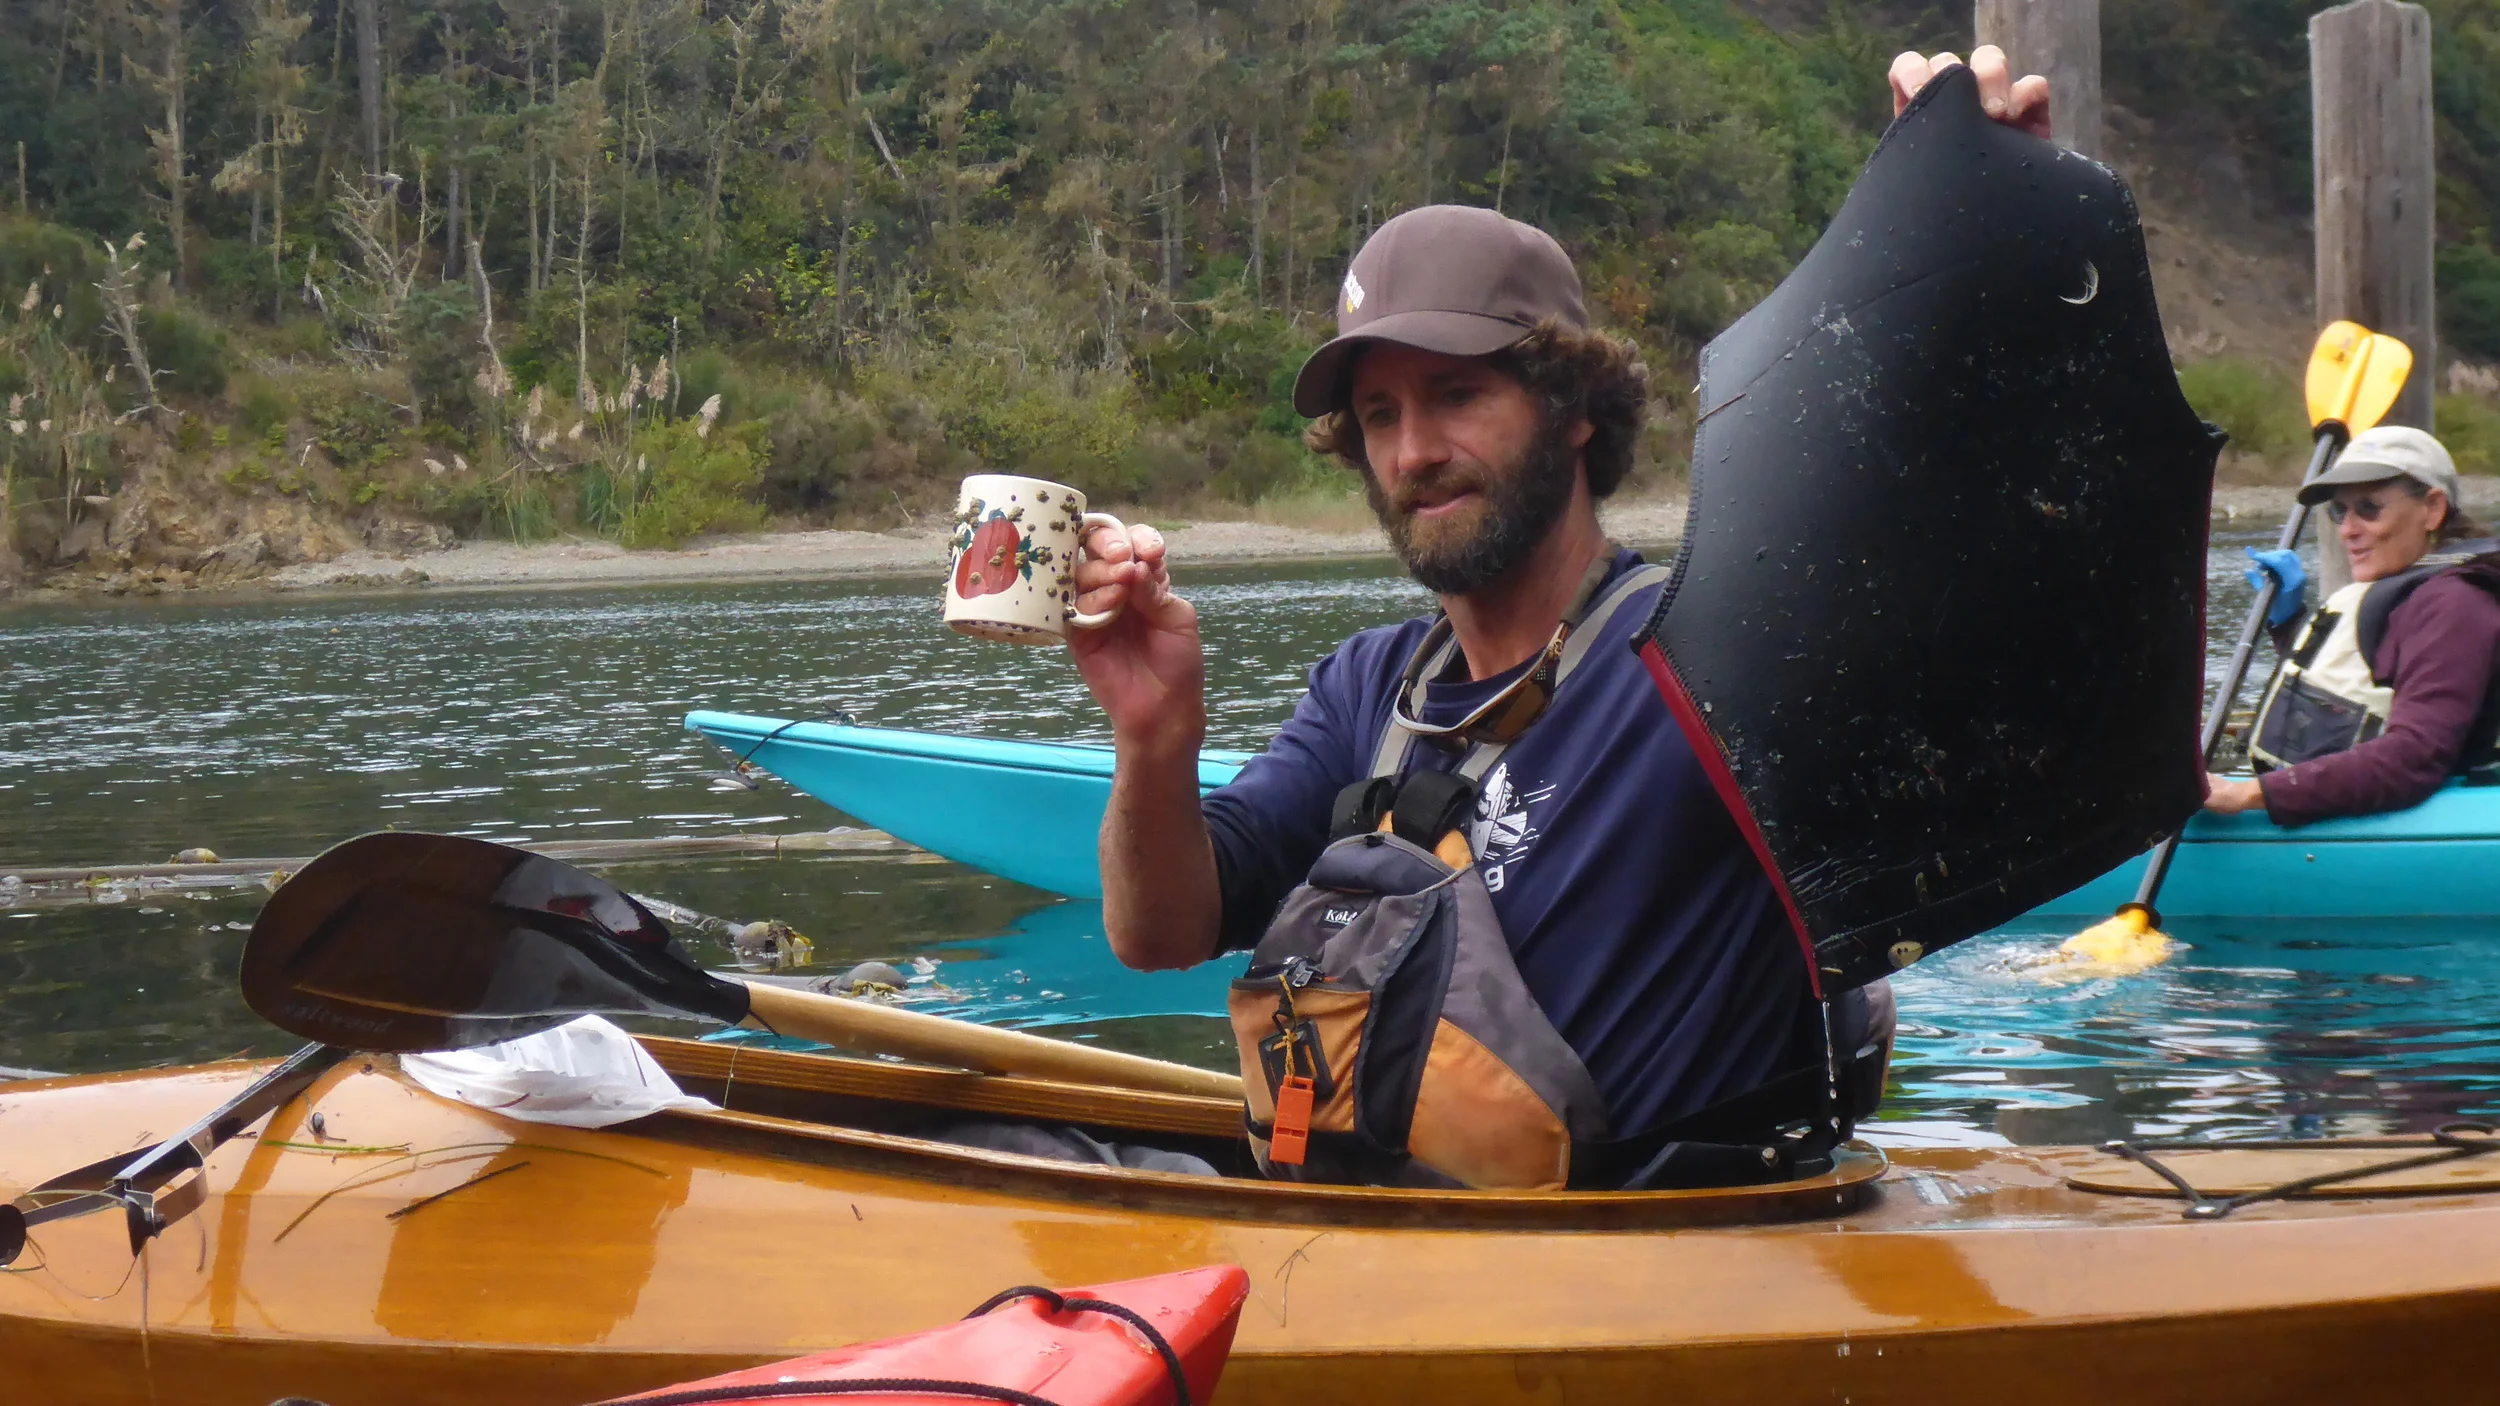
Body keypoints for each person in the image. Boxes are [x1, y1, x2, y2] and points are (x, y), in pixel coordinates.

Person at [1062, 49, 2047, 1190]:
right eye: (1379, 415)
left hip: (1655, 1281)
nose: (1413, 452)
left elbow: (1943, 568)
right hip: (1407, 1264)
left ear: (1575, 408)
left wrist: (1979, 263)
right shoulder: (1365, 692)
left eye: (1457, 394)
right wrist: (1151, 733)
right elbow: (1161, 930)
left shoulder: (1720, 655)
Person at [2215, 426, 2500, 823]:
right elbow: (2355, 687)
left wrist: (2245, 793)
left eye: (2369, 508)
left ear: (2432, 509)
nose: (2347, 529)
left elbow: (2414, 758)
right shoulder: (2415, 590)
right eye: (2339, 510)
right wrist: (2288, 623)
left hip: (2443, 821)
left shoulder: (2456, 604)